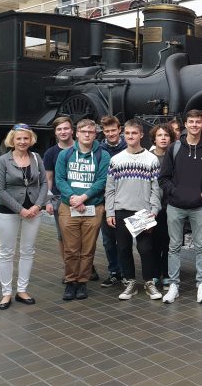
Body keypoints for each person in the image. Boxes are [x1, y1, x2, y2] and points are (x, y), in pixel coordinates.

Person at [158, 109, 202, 304]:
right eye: (191, 121)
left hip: (199, 207)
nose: (194, 125)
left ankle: (201, 284)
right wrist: (175, 192)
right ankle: (173, 285)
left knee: (201, 246)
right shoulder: (175, 148)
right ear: (185, 124)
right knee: (174, 246)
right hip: (175, 206)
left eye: (198, 122)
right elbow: (163, 178)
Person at [105, 120, 162, 300]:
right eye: (128, 133)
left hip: (143, 212)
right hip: (122, 210)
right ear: (124, 135)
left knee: (145, 249)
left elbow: (156, 189)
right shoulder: (116, 160)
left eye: (134, 133)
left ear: (141, 135)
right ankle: (130, 282)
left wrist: (154, 211)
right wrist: (110, 212)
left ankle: (149, 282)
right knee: (123, 249)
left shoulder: (151, 159)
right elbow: (110, 189)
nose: (130, 136)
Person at [55, 119, 111, 301]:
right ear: (77, 133)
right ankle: (70, 281)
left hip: (93, 208)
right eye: (83, 131)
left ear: (95, 134)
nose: (87, 134)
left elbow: (102, 180)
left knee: (88, 249)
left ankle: (82, 282)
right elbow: (60, 179)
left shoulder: (103, 155)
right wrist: (73, 198)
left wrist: (83, 198)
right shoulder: (65, 155)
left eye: (91, 132)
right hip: (68, 207)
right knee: (71, 249)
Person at [0, 124, 48, 310]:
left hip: (33, 211)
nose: (23, 142)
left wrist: (37, 205)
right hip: (9, 211)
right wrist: (20, 210)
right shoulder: (3, 160)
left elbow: (44, 183)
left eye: (26, 138)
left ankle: (22, 290)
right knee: (7, 252)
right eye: (19, 138)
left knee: (28, 250)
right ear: (12, 140)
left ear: (31, 140)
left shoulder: (36, 158)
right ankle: (6, 293)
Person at [43, 116, 75, 280]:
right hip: (59, 199)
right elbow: (48, 178)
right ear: (55, 132)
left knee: (83, 235)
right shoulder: (51, 153)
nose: (63, 132)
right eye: (59, 129)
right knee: (63, 235)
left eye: (66, 128)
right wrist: (48, 201)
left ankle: (86, 267)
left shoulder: (82, 148)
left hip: (82, 198)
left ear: (72, 130)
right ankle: (68, 268)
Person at [99, 115, 127, 288]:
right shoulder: (99, 149)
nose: (110, 134)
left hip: (125, 199)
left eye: (113, 130)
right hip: (105, 200)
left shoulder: (128, 147)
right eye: (107, 131)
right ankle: (114, 271)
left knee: (124, 240)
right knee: (108, 240)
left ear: (119, 130)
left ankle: (125, 272)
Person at [149, 124, 176, 288]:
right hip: (151, 206)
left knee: (168, 241)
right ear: (154, 139)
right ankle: (154, 273)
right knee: (152, 242)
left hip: (170, 205)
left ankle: (166, 274)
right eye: (160, 135)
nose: (163, 138)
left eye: (166, 135)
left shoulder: (175, 156)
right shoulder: (148, 157)